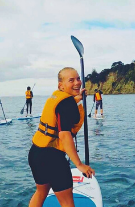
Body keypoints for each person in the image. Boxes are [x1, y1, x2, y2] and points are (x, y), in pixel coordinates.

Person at [28, 67, 95, 207]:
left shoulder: (57, 97)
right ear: (61, 85)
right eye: (71, 80)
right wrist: (79, 165)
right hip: (52, 158)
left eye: (78, 78)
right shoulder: (66, 103)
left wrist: (78, 98)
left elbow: (63, 108)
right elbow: (65, 136)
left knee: (41, 192)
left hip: (36, 153)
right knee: (67, 203)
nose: (77, 82)